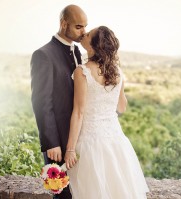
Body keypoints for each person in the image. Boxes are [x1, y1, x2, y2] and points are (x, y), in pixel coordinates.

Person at [64, 26, 150, 198]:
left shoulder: (82, 72)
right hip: (116, 141)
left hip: (90, 142)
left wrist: (70, 149)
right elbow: (122, 107)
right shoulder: (117, 72)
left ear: (95, 45)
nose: (84, 34)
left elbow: (79, 113)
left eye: (88, 34)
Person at [30, 5, 87, 199]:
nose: (84, 32)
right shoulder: (43, 55)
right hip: (57, 143)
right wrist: (51, 142)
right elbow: (41, 102)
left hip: (78, 139)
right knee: (62, 196)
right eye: (79, 27)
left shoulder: (77, 51)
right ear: (64, 24)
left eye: (85, 27)